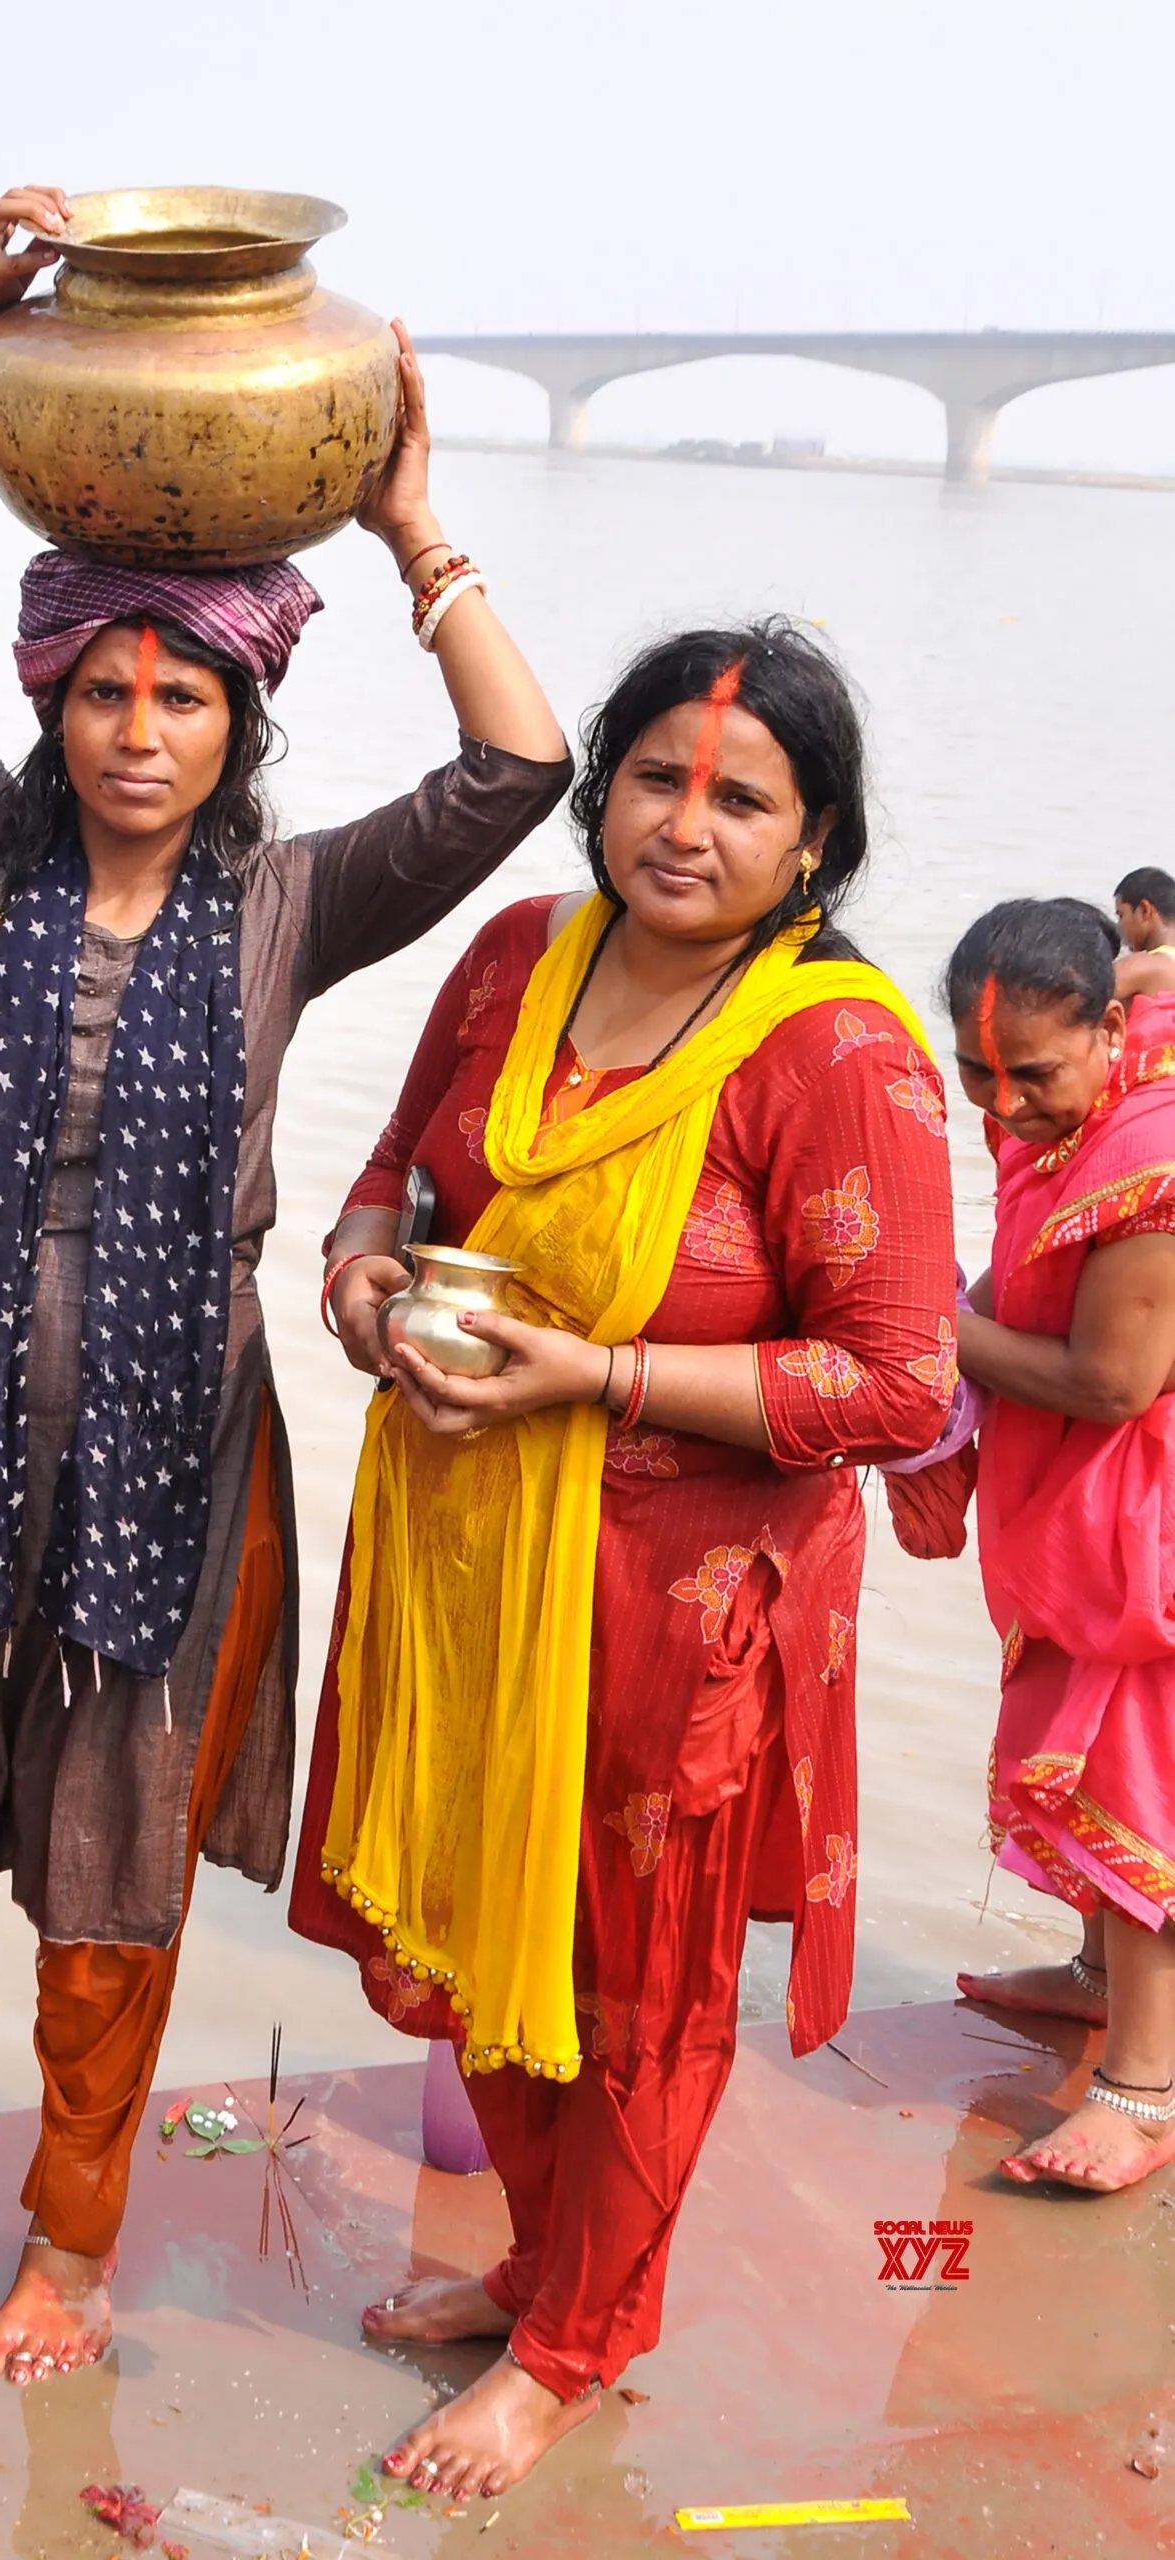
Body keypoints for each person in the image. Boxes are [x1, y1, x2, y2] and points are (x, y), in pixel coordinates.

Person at [0, 184, 572, 2387]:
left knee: (108, 1888)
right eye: (101, 688)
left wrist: (416, 525)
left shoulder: (290, 908)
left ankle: (73, 2241)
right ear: (54, 707)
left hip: (175, 1481)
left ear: (235, 721)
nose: (134, 728)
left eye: (180, 695)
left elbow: (519, 768)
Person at [291, 623, 958, 2503]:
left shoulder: (838, 1058)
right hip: (459, 1555)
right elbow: (393, 1182)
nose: (684, 824)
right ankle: (533, 2263)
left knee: (635, 1981)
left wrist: (595, 1374)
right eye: (655, 778)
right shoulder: (522, 956)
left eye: (741, 797)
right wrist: (356, 1283)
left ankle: (578, 2344)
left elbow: (897, 1379)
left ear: (812, 844)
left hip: (679, 1614)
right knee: (471, 1919)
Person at [929, 900, 1175, 2192]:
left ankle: (1141, 2091)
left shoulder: (1151, 1155)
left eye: (1031, 1073)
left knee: (1131, 1767)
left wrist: (920, 1319)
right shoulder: (1103, 1062)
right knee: (1070, 1738)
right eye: (976, 1071)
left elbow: (1107, 1381)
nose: (1002, 1104)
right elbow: (1150, 963)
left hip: (1144, 1507)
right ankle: (1090, 1979)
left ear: (1110, 1033)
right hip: (1077, 1500)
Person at [1113, 866, 1175, 1002]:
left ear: (1144, 910)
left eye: (1121, 915)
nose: (1119, 926)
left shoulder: (1145, 965)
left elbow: (1075, 996)